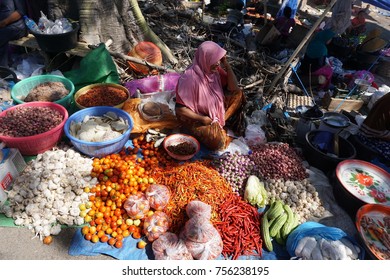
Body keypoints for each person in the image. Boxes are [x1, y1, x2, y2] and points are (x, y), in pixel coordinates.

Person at [175, 41, 244, 151]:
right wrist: (202, 118)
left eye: (218, 60)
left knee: (238, 94)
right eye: (214, 60)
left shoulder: (214, 71)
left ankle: (220, 123)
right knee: (218, 143)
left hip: (211, 115)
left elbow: (234, 88)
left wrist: (226, 65)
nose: (217, 63)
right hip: (195, 117)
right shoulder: (189, 79)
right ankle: (219, 129)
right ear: (204, 59)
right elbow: (180, 110)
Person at [0, 0, 27, 67]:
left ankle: (4, 72)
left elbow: (20, 12)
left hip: (17, 27)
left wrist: (4, 23)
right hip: (4, 28)